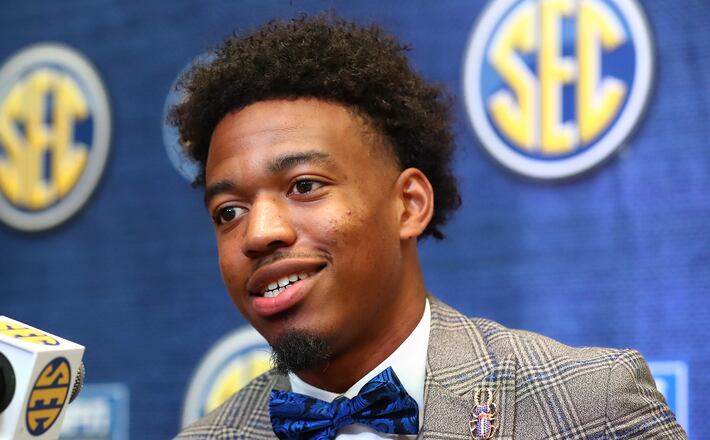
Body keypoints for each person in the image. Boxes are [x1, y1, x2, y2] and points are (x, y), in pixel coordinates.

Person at [170, 14, 686, 440]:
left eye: (304, 185)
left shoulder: (592, 405)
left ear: (409, 205)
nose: (258, 233)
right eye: (228, 212)